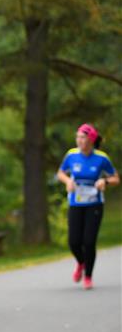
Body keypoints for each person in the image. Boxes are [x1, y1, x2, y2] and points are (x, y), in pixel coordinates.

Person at [56, 123, 118, 290]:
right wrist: (67, 181)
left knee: (89, 242)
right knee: (74, 241)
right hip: (76, 202)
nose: (79, 140)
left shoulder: (101, 158)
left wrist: (104, 181)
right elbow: (60, 172)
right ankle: (81, 262)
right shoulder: (71, 155)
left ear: (91, 140)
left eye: (82, 137)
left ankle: (88, 276)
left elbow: (115, 178)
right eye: (77, 137)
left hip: (94, 204)